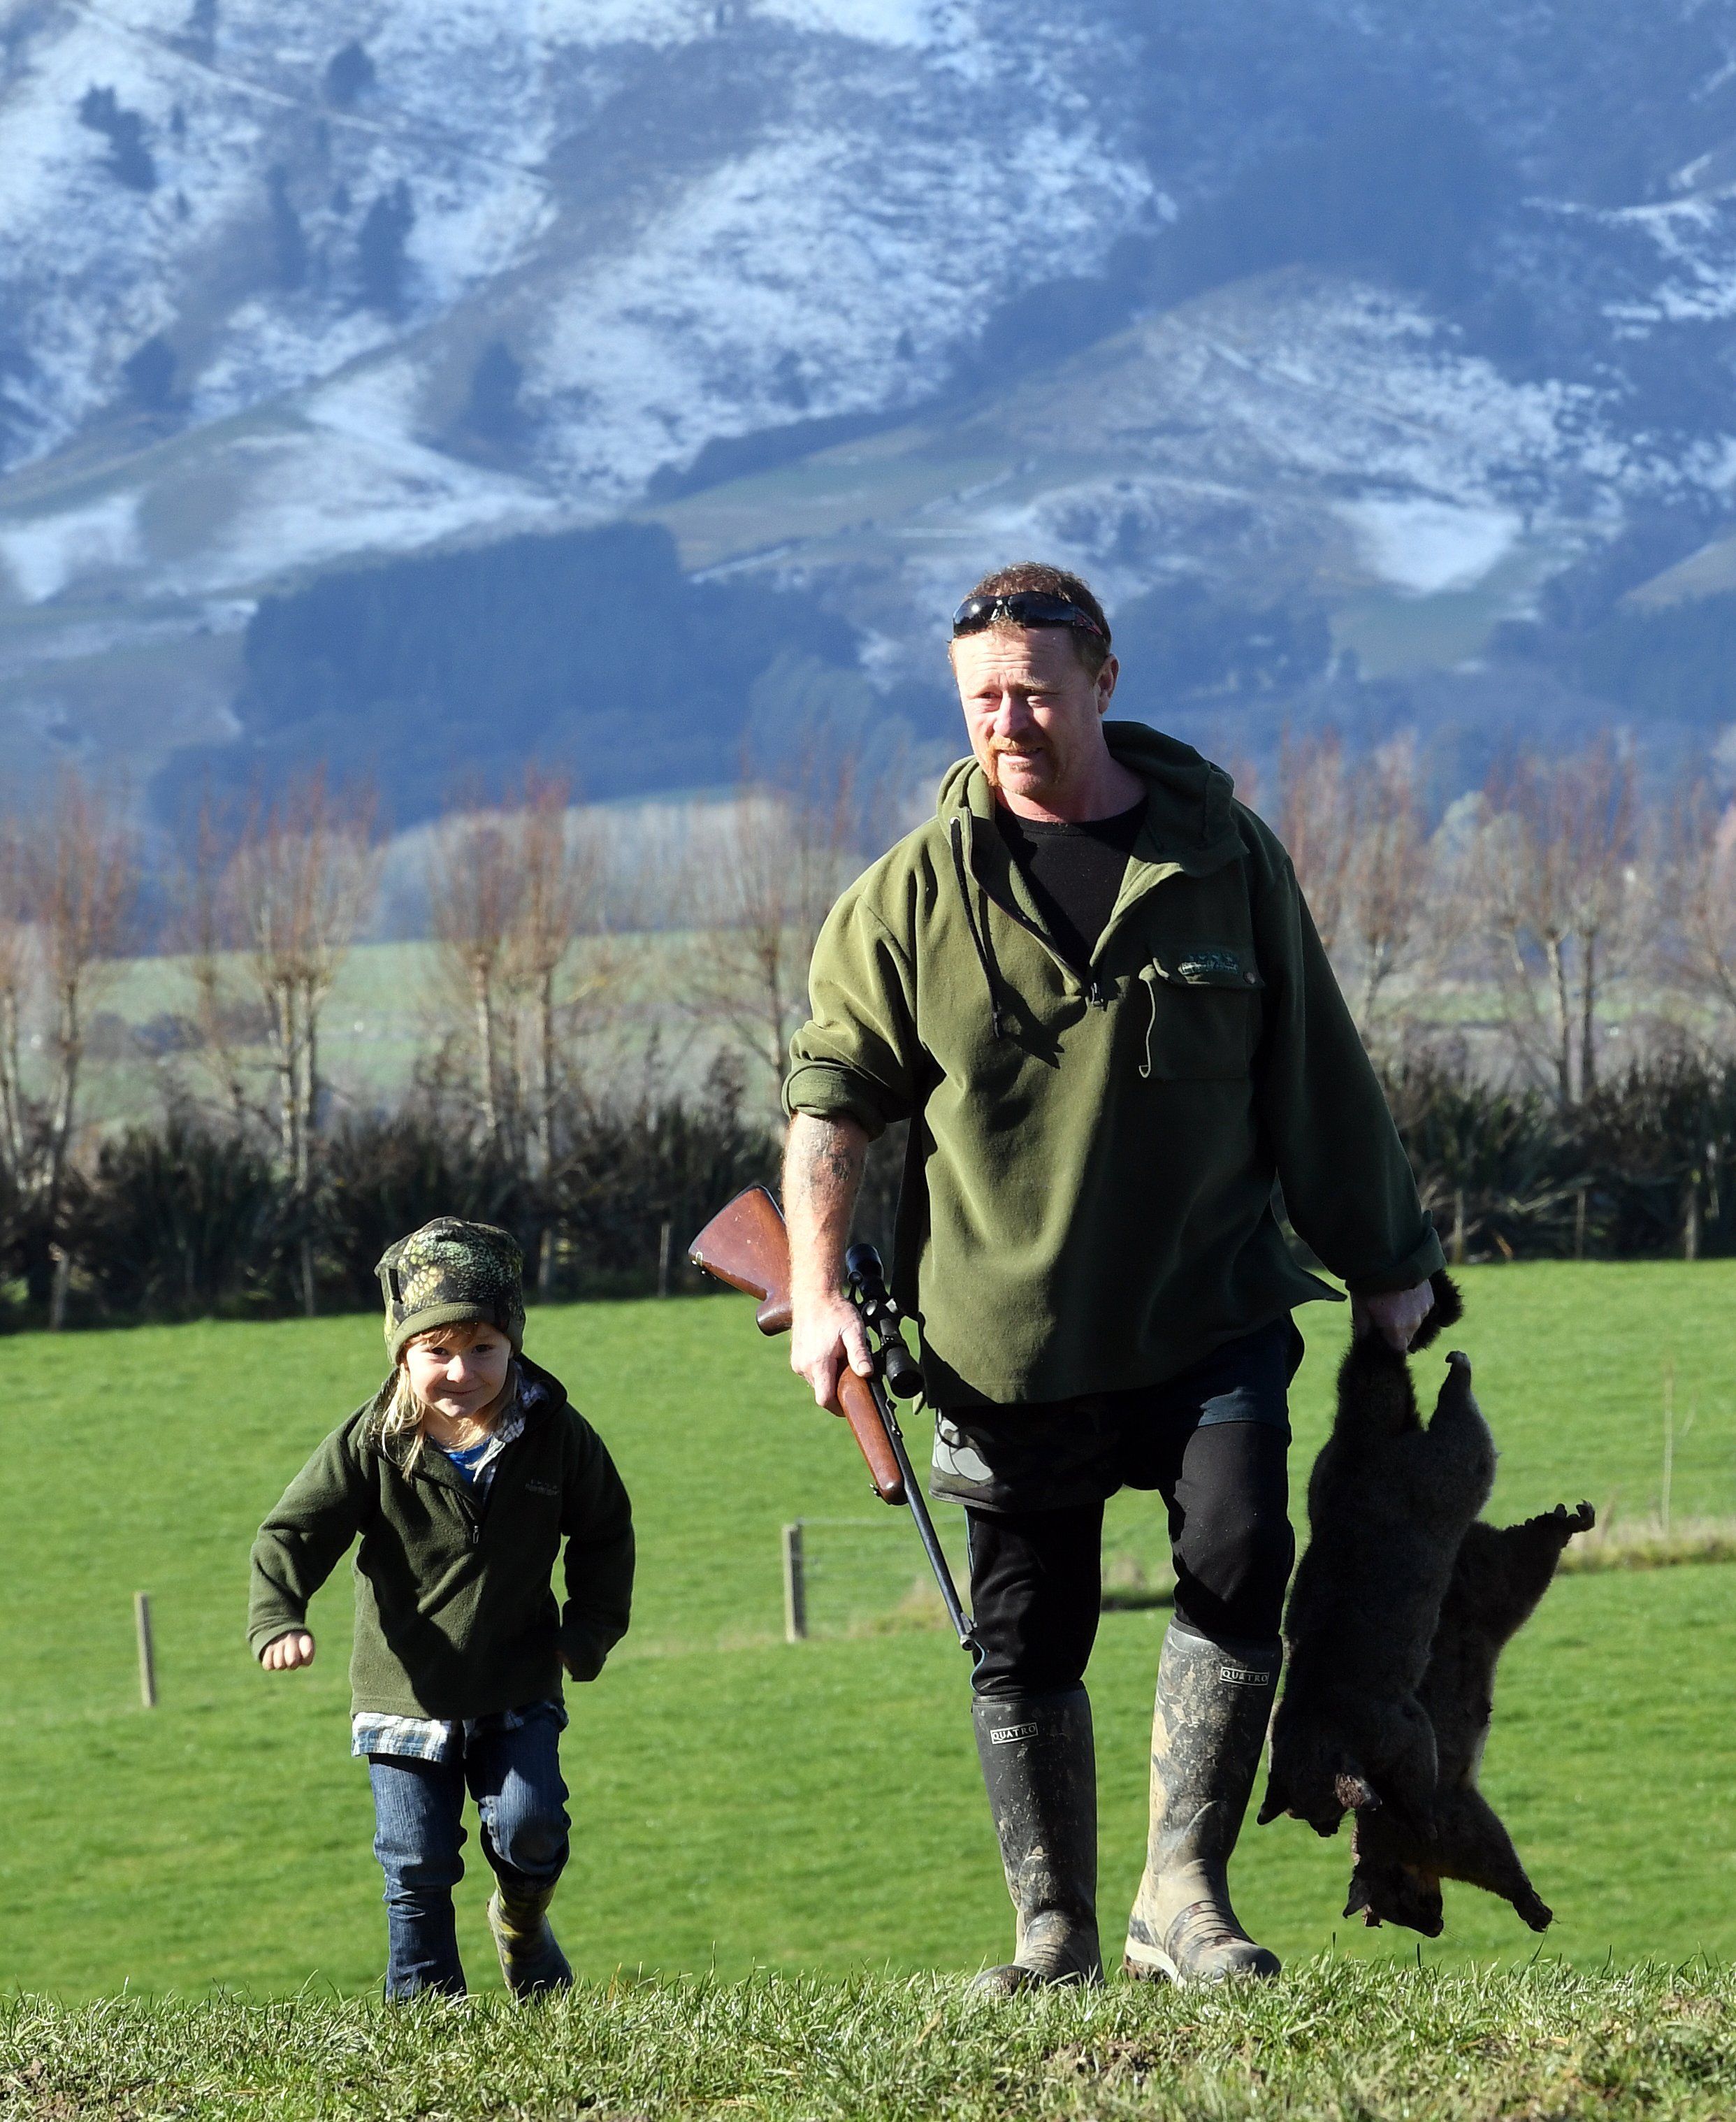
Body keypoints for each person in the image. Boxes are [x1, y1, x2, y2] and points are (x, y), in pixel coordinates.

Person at [781, 562, 1440, 1992]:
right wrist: (822, 1289)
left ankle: (1181, 1899)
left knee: (1240, 1550)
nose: (1006, 721)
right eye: (980, 700)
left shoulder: (1224, 859)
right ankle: (1055, 1933)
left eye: (1033, 691)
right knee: (1026, 1634)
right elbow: (828, 1108)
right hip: (1002, 1341)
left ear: (1104, 683)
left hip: (1210, 1312)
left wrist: (1389, 1264)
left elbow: (1315, 1073)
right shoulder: (904, 901)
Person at [248, 1217, 634, 2000]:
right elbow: (295, 1529)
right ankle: (428, 2018)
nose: (462, 1371)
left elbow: (604, 1532)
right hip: (405, 1695)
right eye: (437, 1352)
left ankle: (522, 1926)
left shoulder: (555, 1432)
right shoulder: (372, 1442)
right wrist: (278, 1615)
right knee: (415, 1861)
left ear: (514, 1345)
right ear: (402, 1355)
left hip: (518, 1682)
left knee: (533, 1829)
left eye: (483, 1349)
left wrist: (590, 1631)